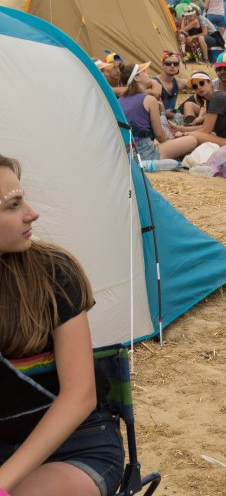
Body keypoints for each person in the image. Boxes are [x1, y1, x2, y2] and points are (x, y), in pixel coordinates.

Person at [0, 154, 126, 496]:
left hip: (75, 443)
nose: (32, 213)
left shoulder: (52, 273)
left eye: (22, 199)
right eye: (12, 205)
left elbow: (80, 396)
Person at [118, 63, 198, 161]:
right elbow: (160, 135)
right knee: (192, 140)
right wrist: (169, 143)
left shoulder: (119, 101)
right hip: (145, 152)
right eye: (144, 72)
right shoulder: (149, 99)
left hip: (126, 151)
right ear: (137, 78)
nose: (149, 74)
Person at [170, 71, 226, 147]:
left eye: (201, 83)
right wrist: (180, 128)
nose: (199, 87)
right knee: (197, 136)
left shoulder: (217, 98)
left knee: (194, 137)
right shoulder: (211, 99)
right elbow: (206, 127)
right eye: (195, 86)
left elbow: (206, 130)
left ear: (210, 82)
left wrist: (184, 134)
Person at [152, 51, 182, 117]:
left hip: (170, 116)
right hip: (158, 118)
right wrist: (181, 116)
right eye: (168, 63)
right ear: (162, 66)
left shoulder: (178, 82)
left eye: (175, 63)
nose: (172, 66)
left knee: (189, 104)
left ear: (178, 67)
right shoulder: (155, 82)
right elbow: (160, 111)